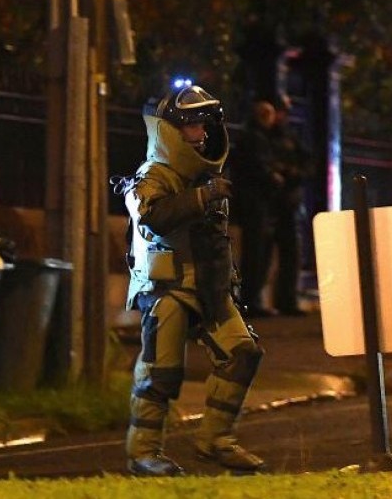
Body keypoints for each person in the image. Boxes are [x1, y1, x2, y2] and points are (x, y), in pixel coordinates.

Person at [117, 84, 265, 476]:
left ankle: (217, 441)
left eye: (202, 124)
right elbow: (152, 214)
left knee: (242, 353)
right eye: (191, 126)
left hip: (211, 287)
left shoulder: (205, 174)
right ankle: (143, 453)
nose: (200, 134)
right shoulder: (154, 174)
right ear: (170, 130)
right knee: (160, 373)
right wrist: (202, 197)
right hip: (168, 289)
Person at [230, 98, 284, 318]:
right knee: (257, 254)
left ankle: (250, 298)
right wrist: (276, 178)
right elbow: (260, 170)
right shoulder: (256, 139)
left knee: (254, 252)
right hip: (257, 203)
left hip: (249, 203)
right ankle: (252, 300)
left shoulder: (247, 137)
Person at [268, 94, 313, 316]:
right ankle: (263, 301)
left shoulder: (290, 136)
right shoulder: (262, 136)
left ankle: (287, 299)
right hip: (269, 203)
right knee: (262, 256)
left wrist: (295, 173)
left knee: (291, 254)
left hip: (289, 201)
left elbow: (307, 162)